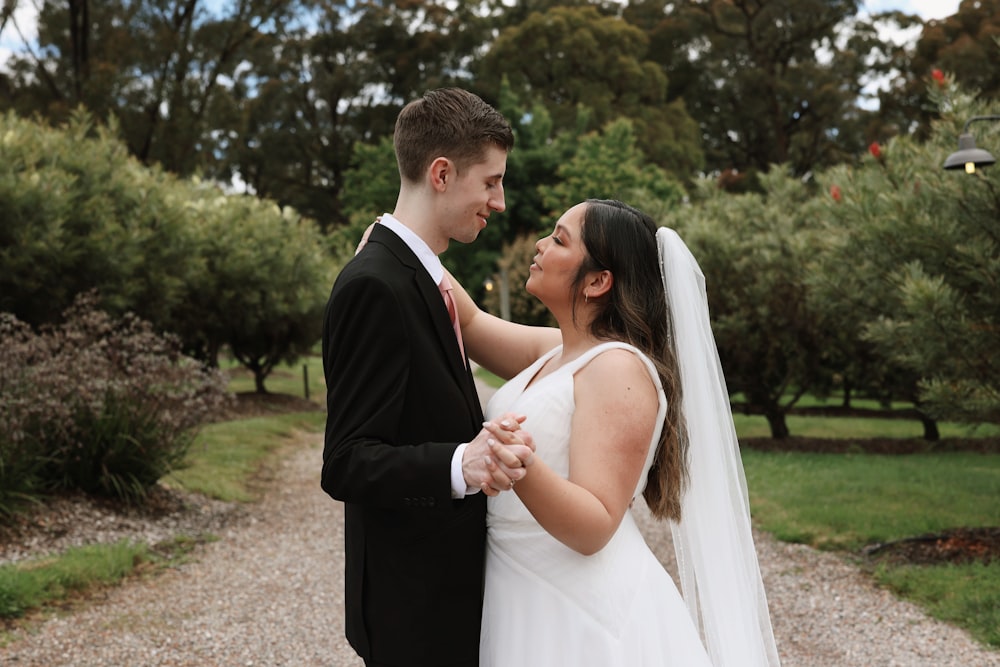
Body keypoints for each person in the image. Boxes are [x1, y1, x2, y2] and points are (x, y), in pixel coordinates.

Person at [449, 199, 782, 666]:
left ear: (597, 281)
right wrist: (402, 237)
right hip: (519, 589)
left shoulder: (618, 369)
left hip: (579, 612)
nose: (541, 244)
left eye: (560, 239)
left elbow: (595, 525)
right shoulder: (558, 350)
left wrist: (520, 464)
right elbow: (470, 322)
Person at [320, 88, 534, 667]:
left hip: (444, 598)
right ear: (442, 173)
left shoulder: (423, 274)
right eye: (490, 181)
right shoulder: (377, 283)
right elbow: (346, 461)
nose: (501, 201)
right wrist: (461, 463)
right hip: (411, 610)